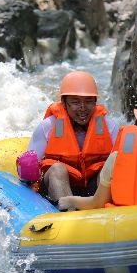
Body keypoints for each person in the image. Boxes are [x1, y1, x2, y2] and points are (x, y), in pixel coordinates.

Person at [22, 70, 119, 204]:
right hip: (58, 187)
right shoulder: (48, 126)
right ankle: (68, 212)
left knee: (108, 167)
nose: (83, 108)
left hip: (94, 191)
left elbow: (122, 164)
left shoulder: (110, 126)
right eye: (75, 102)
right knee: (57, 169)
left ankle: (102, 210)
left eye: (89, 101)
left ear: (95, 102)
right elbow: (27, 170)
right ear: (64, 102)